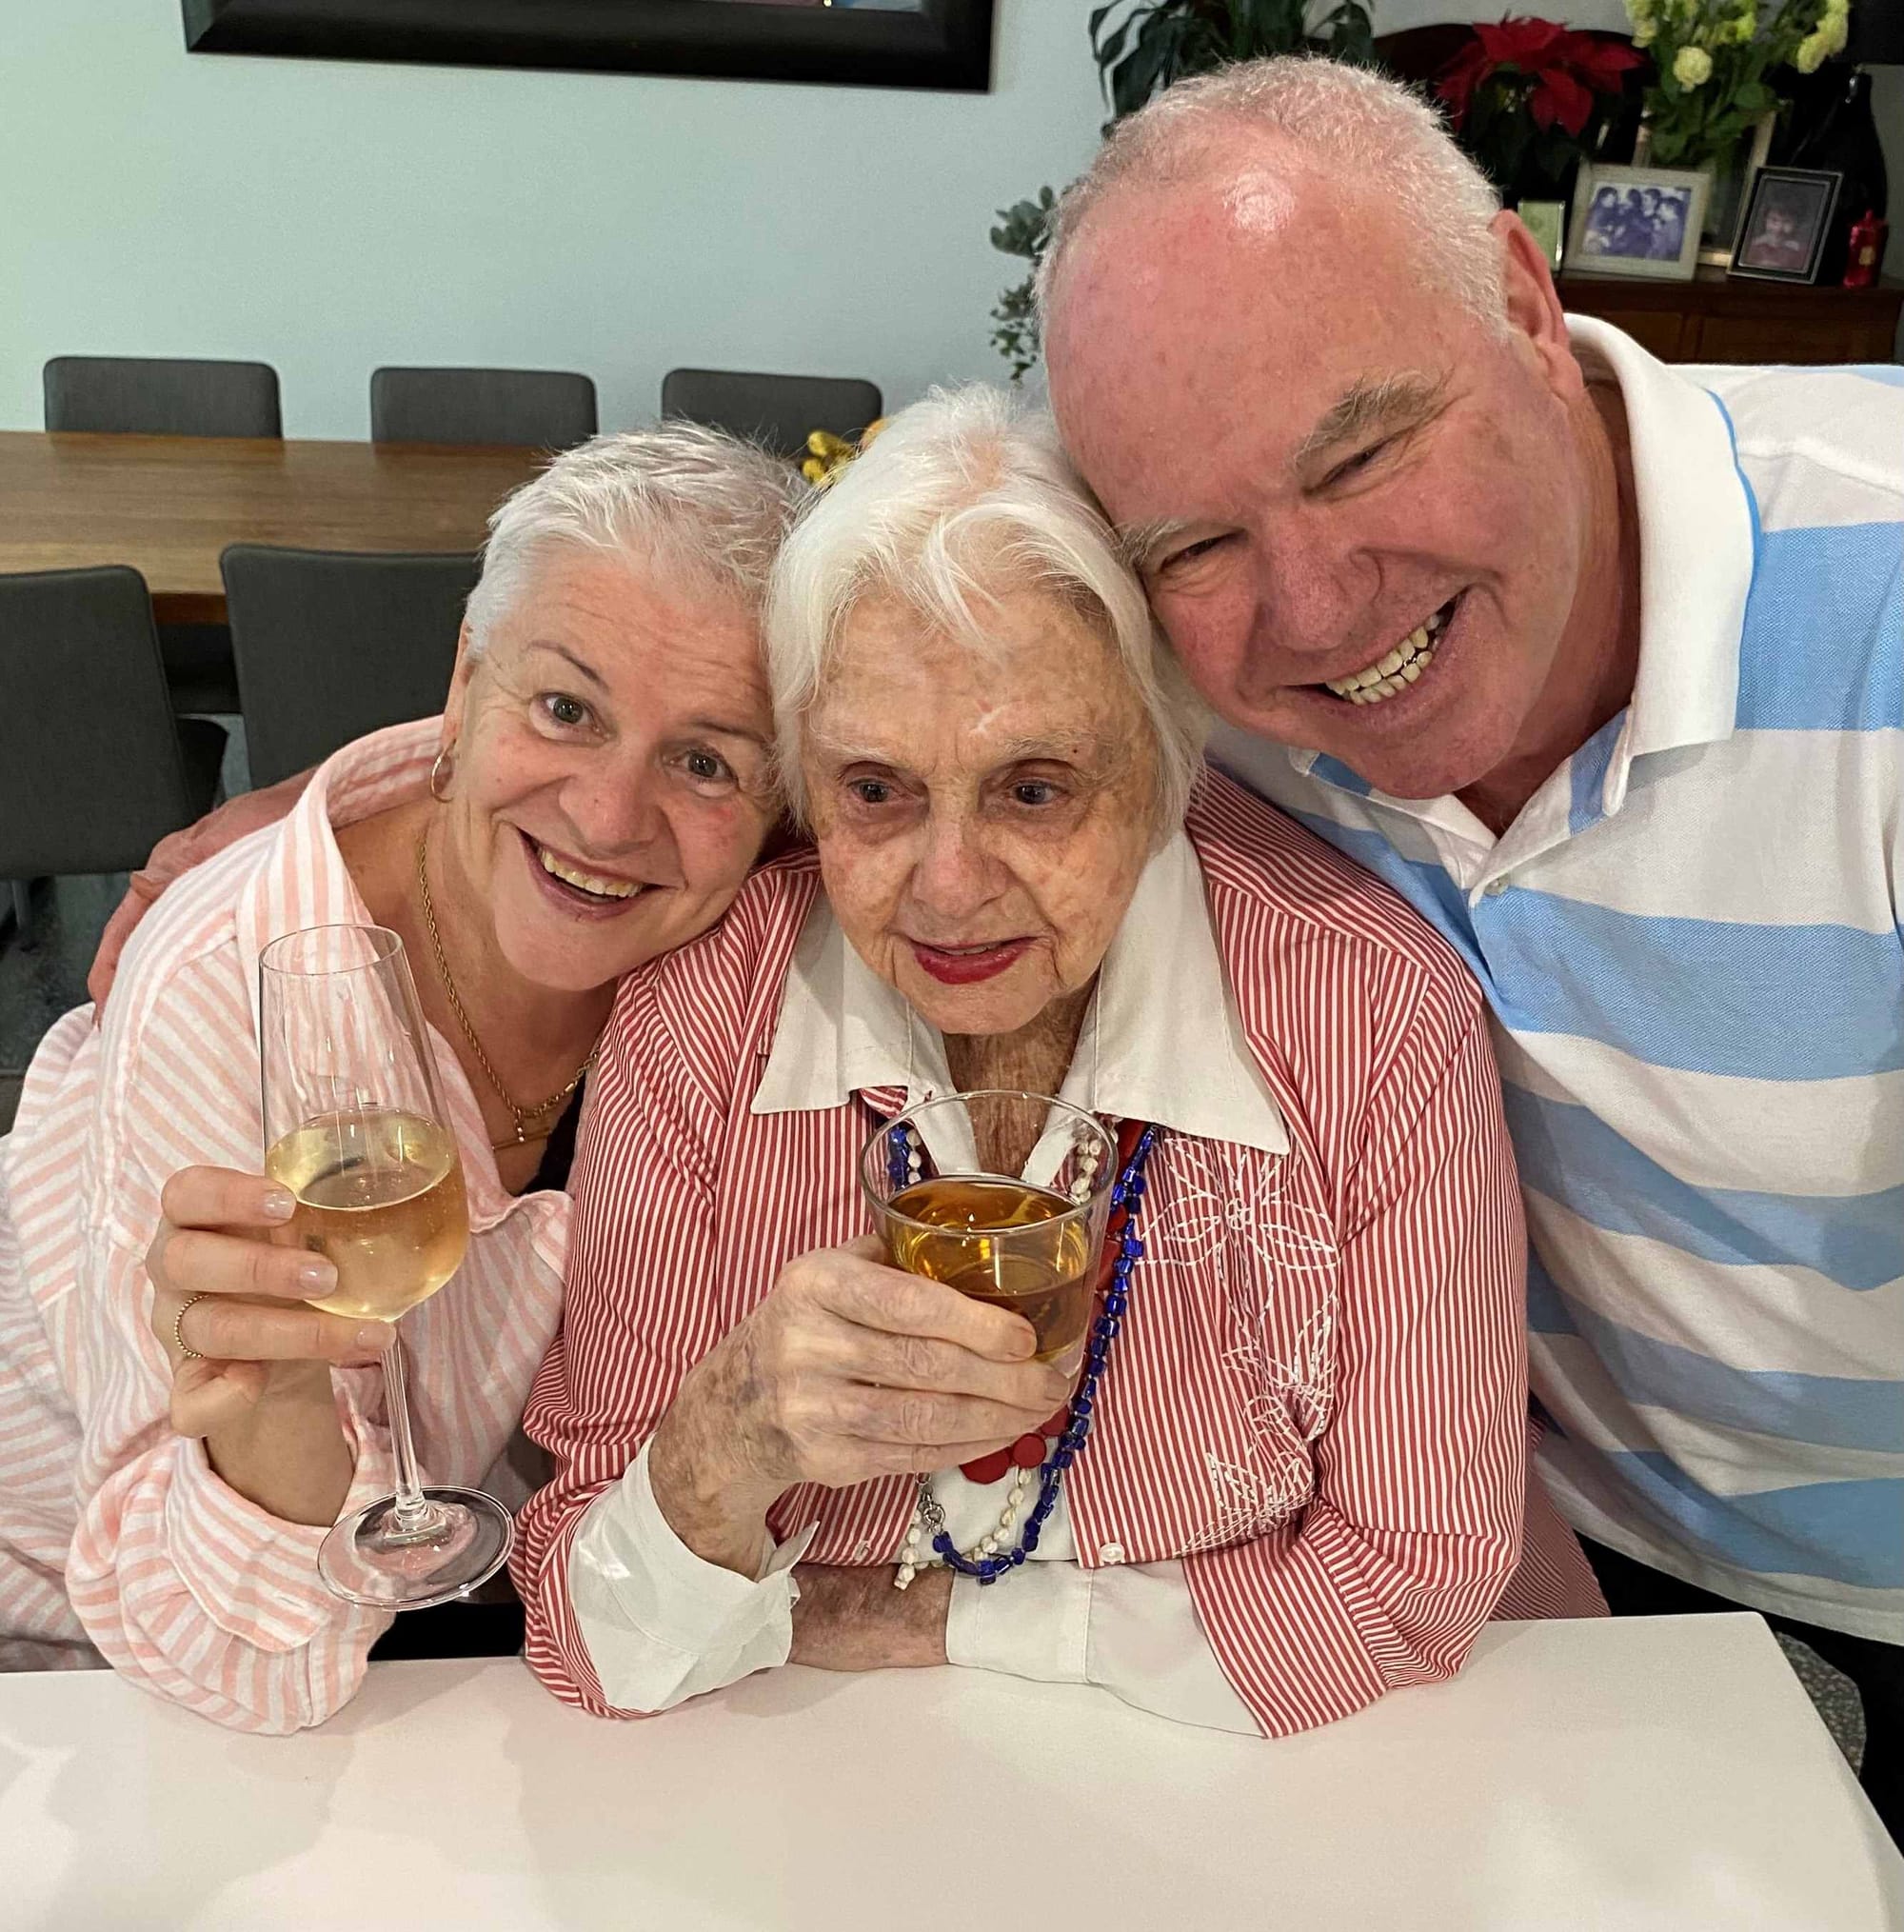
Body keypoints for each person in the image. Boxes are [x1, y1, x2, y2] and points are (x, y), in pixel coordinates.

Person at [1037, 56, 1902, 1832]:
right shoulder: (1202, 696)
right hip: (1525, 1582)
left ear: (1524, 300)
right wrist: (356, 803)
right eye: (1198, 539)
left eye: (1360, 452)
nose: (1320, 608)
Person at [511, 386, 1603, 1734]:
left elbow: (1412, 1581)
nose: (950, 887)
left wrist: (943, 1618)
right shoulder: (701, 1016)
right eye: (875, 790)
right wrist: (725, 1436)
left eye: (1035, 789)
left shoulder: (1370, 1020)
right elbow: (584, 1629)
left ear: (1160, 763)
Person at [0, 426, 797, 1726]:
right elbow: (225, 1664)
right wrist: (280, 1407)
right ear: (467, 680)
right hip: (77, 1667)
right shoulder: (233, 980)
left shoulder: (733, 941)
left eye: (706, 759)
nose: (606, 817)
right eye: (564, 708)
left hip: (452, 1636)